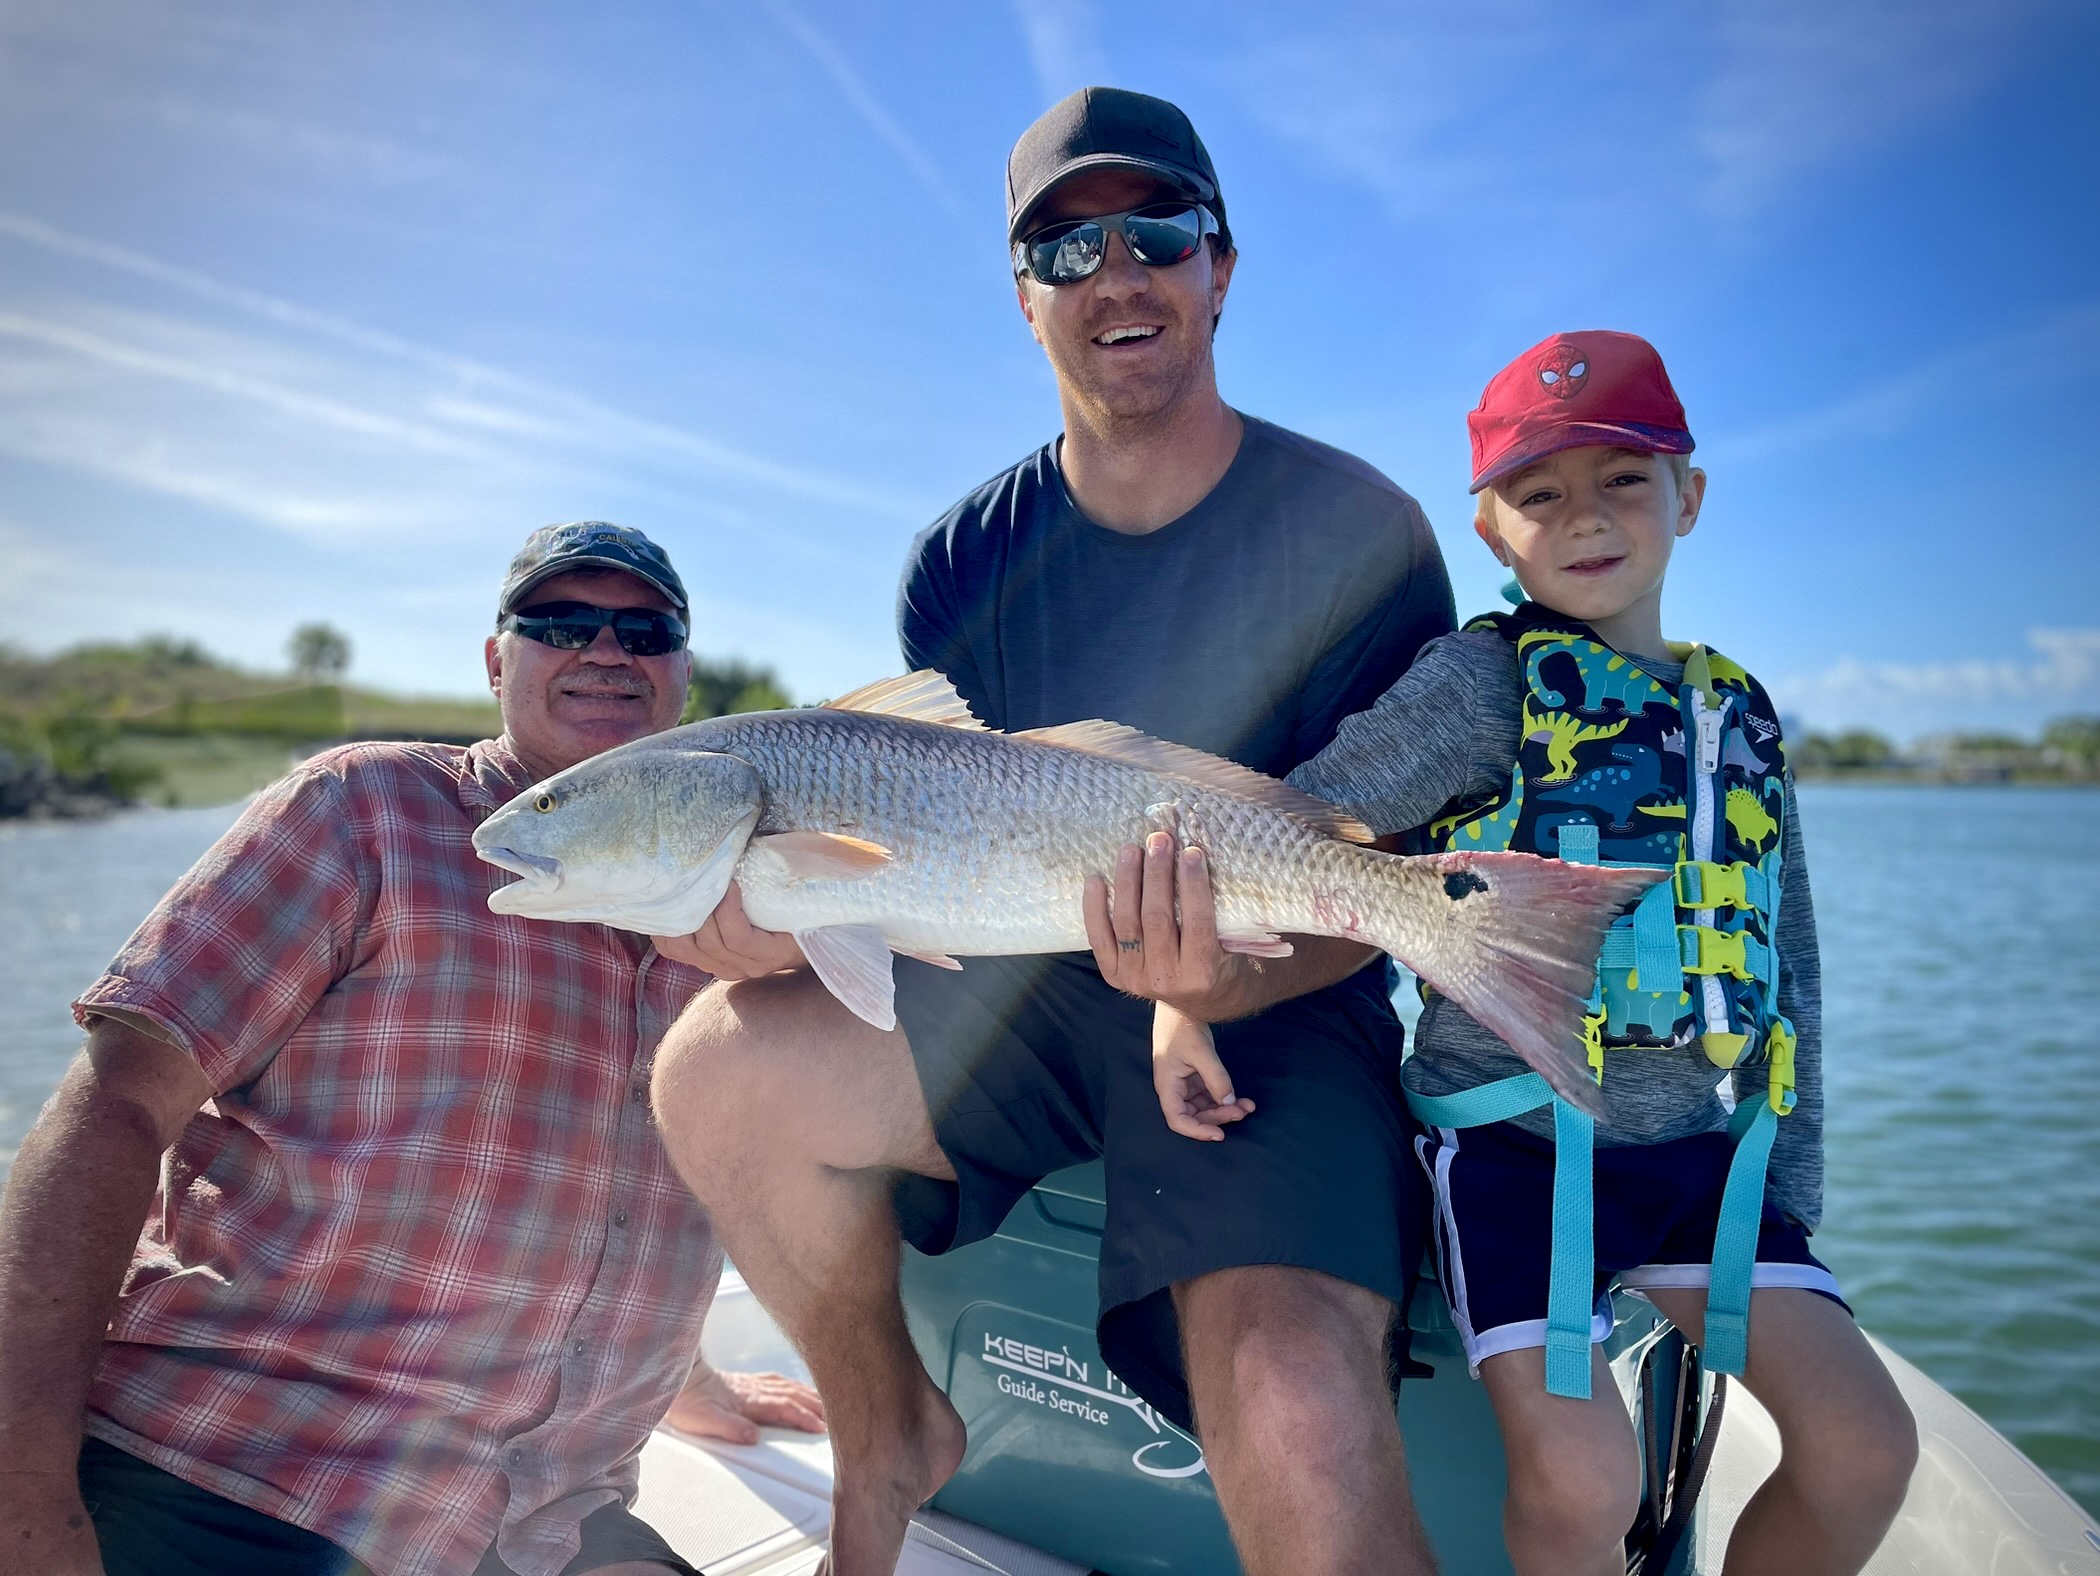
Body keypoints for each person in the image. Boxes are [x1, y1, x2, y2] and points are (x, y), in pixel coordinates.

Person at [648, 88, 1456, 1576]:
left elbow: (1373, 870)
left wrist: (1216, 983)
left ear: (1222, 266)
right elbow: (938, 855)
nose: (1116, 274)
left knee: (1292, 1408)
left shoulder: (1365, 534)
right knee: (713, 1070)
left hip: (1278, 1009)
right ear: (1023, 298)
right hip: (1021, 987)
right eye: (1066, 249)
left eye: (1158, 232)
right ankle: (888, 1432)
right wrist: (787, 920)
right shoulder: (961, 562)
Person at [1154, 332, 1920, 1575]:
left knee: (1867, 1446)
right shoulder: (1478, 685)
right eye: (1539, 492)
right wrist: (1186, 1003)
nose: (1585, 516)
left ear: (1689, 495)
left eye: (1623, 478)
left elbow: (1795, 965)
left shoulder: (1743, 717)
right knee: (1584, 1477)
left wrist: (1794, 1191)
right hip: (1517, 1151)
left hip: (1706, 1160)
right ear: (1491, 533)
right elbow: (1296, 826)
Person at [0, 521, 825, 1576]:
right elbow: (112, 1109)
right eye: (561, 622)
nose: (606, 650)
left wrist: (689, 1379)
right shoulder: (363, 808)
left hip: (546, 1522)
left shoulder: (756, 897)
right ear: (496, 662)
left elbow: (626, 1197)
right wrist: (23, 1487)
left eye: (645, 631)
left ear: (682, 675)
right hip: (231, 1475)